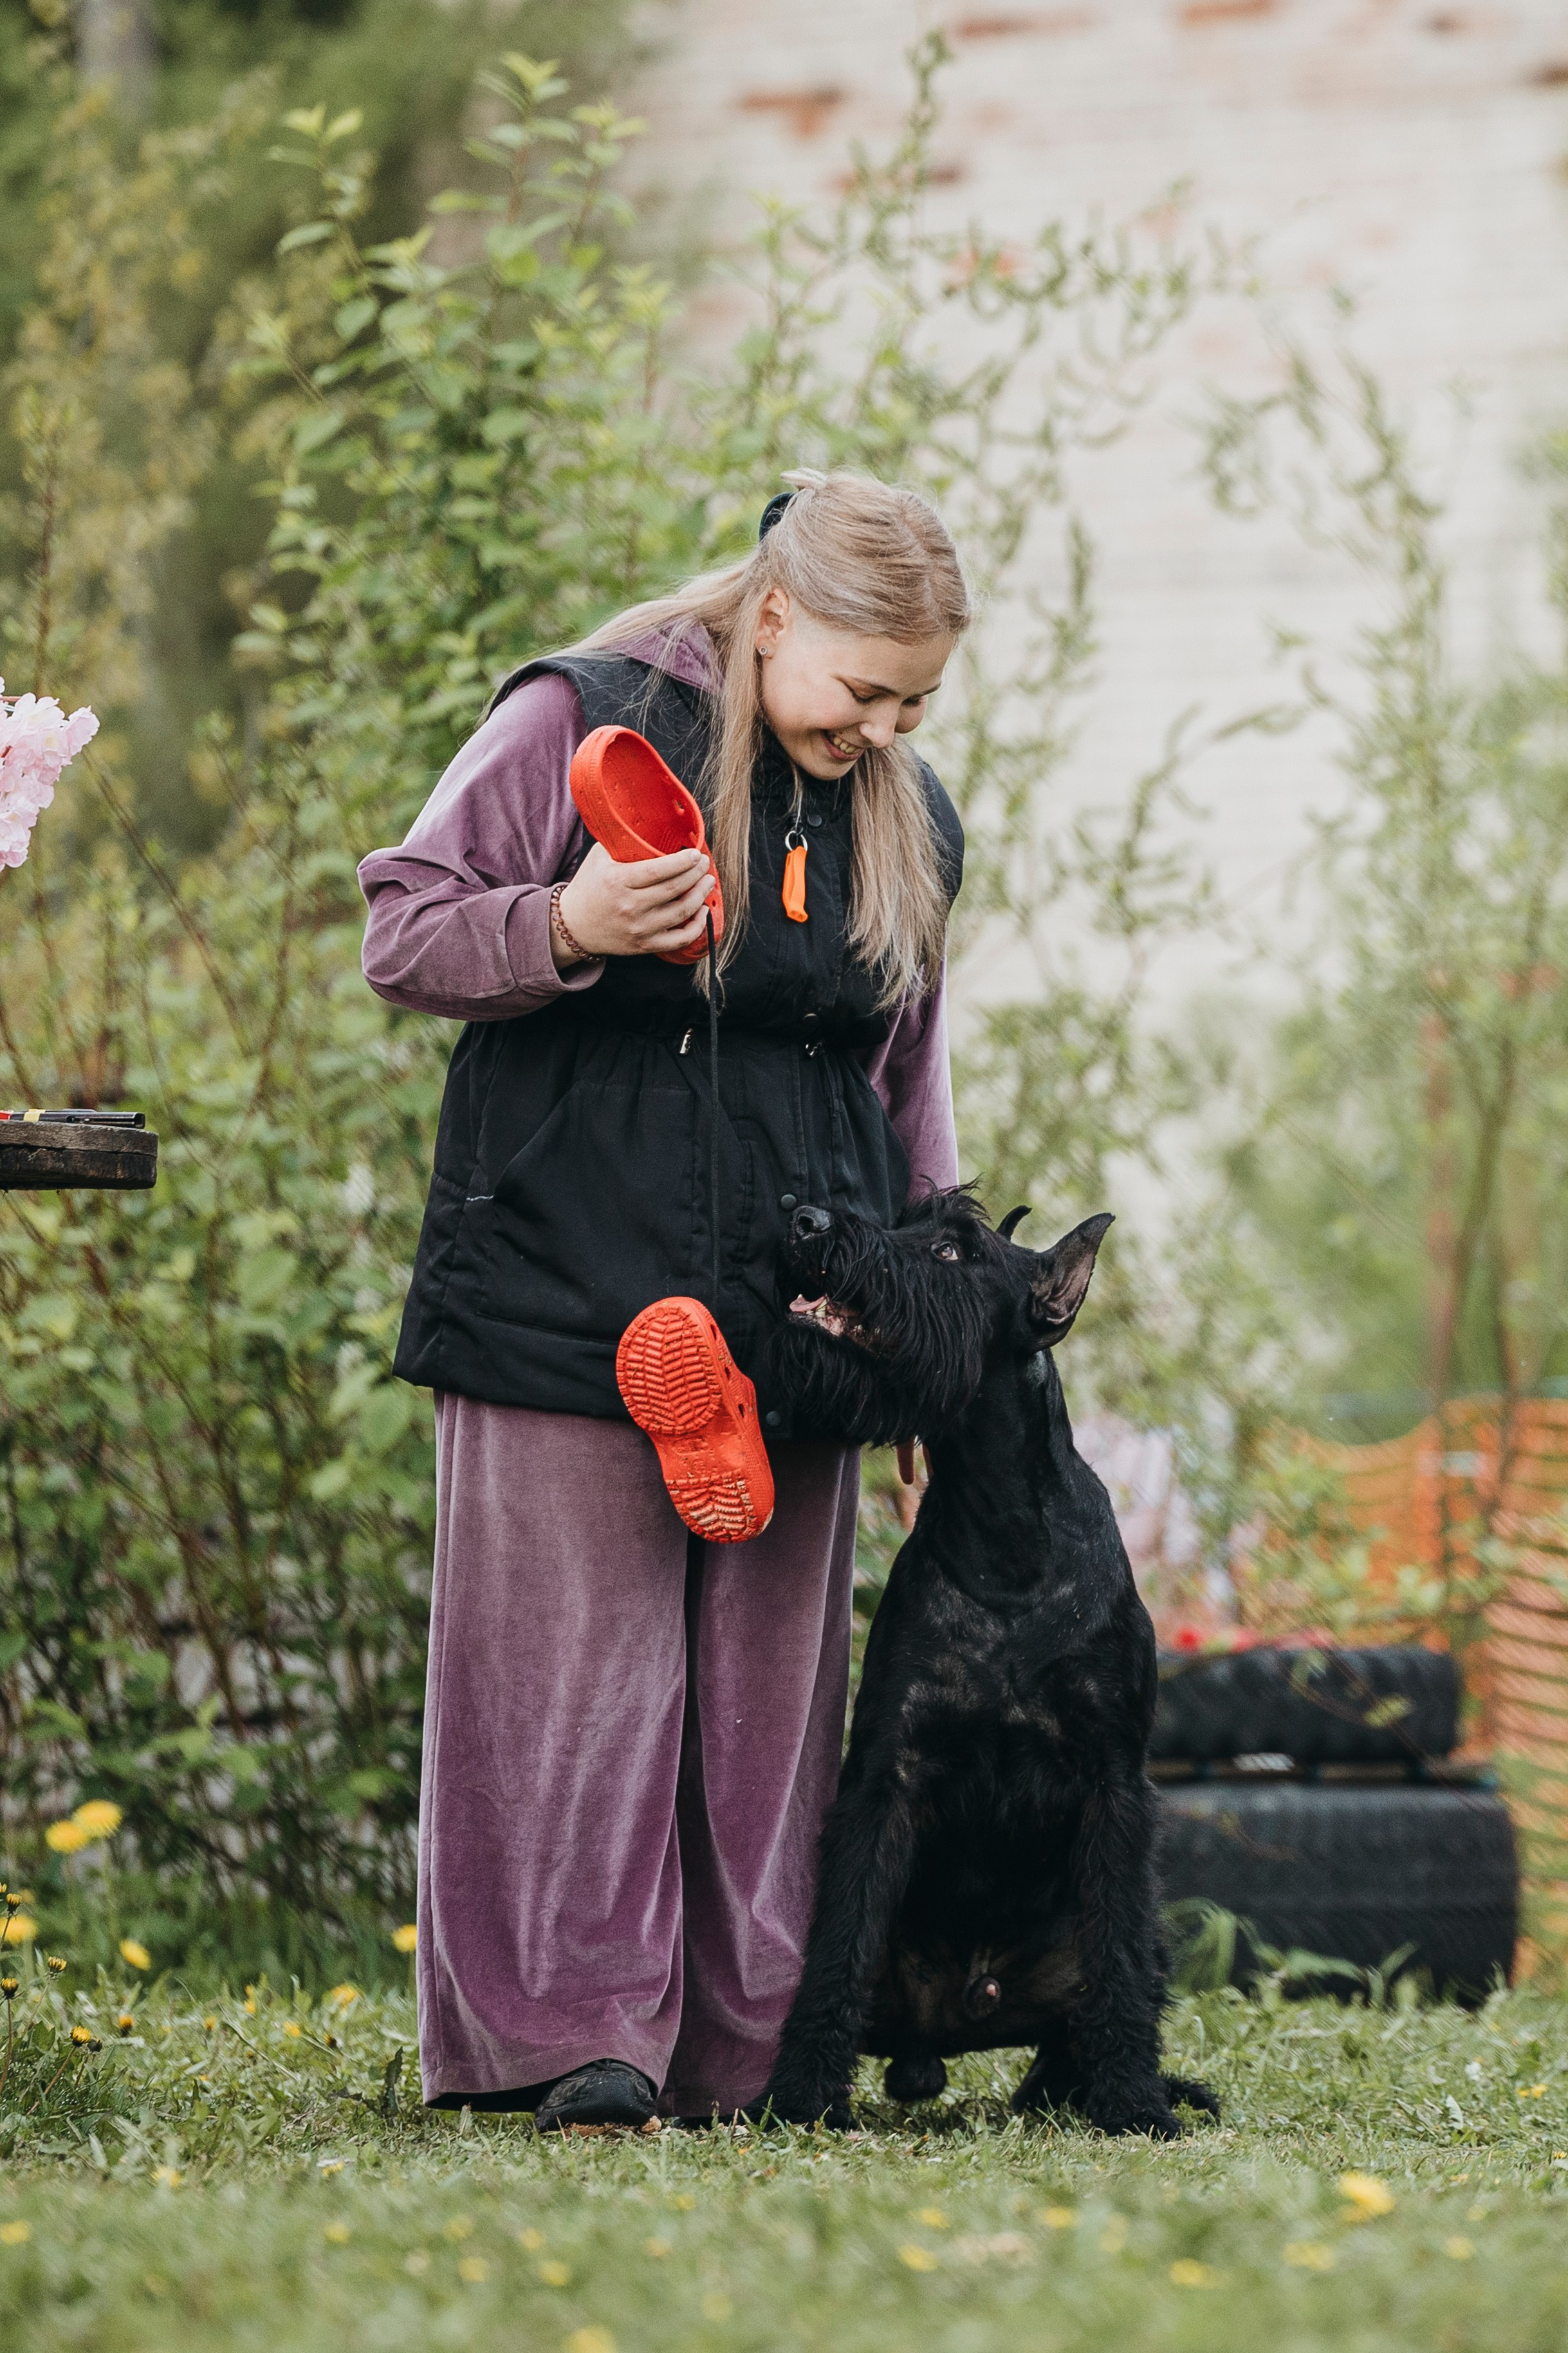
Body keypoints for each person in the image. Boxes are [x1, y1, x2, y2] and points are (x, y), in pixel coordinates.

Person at [358, 467, 972, 2129]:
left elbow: (908, 1089)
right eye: (863, 688)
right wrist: (563, 919)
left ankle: (753, 2049)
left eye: (916, 699)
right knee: (567, 1687)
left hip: (805, 1309)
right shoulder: (583, 714)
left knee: (774, 1707)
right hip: (567, 1269)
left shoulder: (903, 813)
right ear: (776, 615)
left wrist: (928, 1358)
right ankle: (570, 2041)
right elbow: (404, 930)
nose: (885, 727)